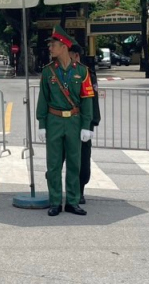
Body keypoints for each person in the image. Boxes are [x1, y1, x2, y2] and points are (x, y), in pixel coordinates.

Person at [36, 25, 94, 216]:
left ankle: (72, 201)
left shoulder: (82, 71)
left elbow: (87, 100)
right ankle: (55, 201)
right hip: (54, 120)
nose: (50, 48)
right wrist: (42, 124)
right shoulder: (48, 72)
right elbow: (43, 99)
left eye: (53, 45)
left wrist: (86, 125)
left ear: (63, 47)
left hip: (74, 121)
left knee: (74, 163)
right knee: (53, 164)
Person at [69, 43, 101, 205]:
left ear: (76, 55)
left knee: (82, 158)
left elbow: (92, 99)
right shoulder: (57, 72)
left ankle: (79, 190)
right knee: (59, 157)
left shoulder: (87, 73)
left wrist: (91, 123)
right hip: (62, 122)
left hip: (82, 122)